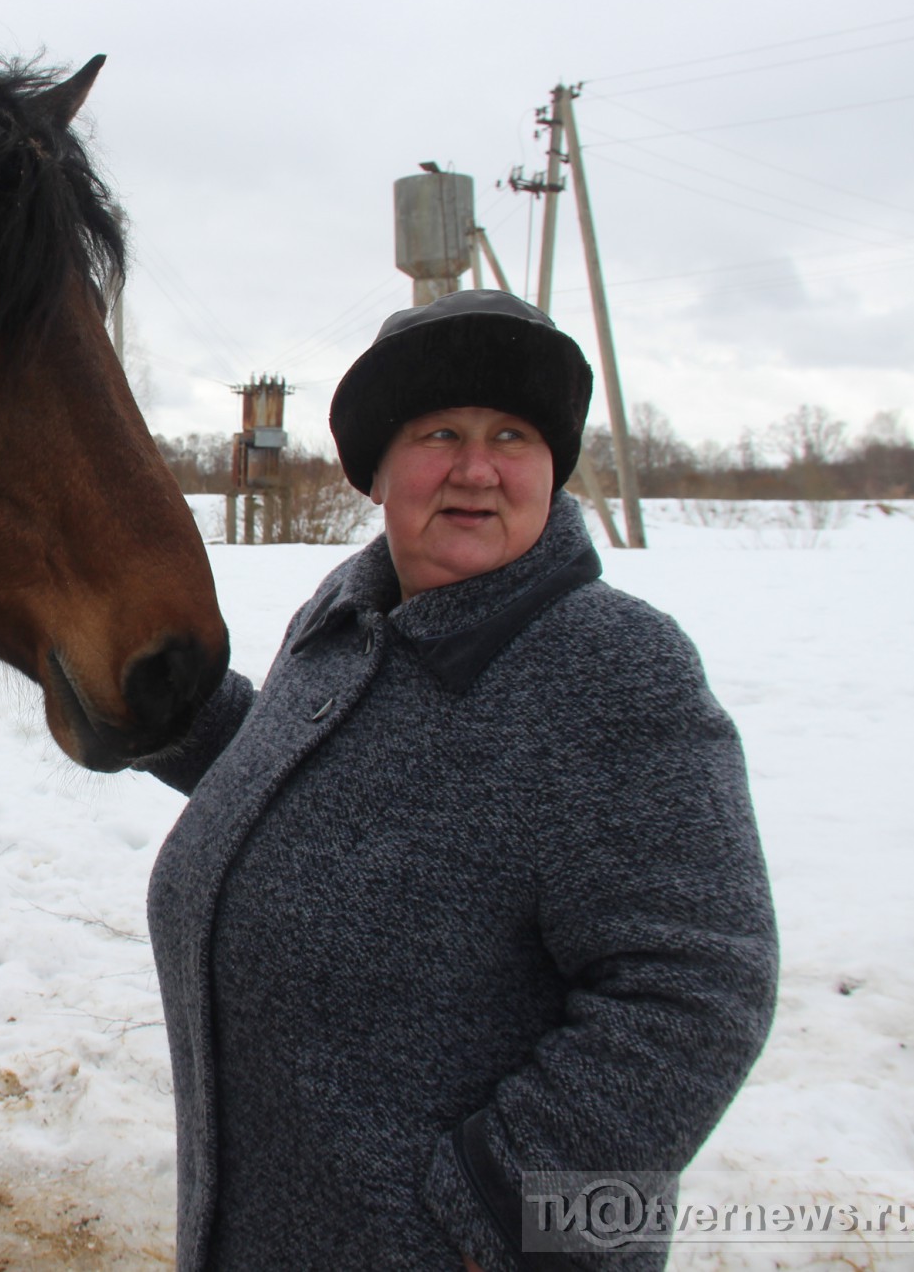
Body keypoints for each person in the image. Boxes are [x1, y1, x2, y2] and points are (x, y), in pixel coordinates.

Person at [139, 289, 778, 1271]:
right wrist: (162, 702)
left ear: (550, 470)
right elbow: (312, 778)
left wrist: (501, 1211)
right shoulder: (348, 623)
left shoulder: (611, 668)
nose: (475, 468)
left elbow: (698, 988)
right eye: (439, 432)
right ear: (377, 471)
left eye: (511, 436)